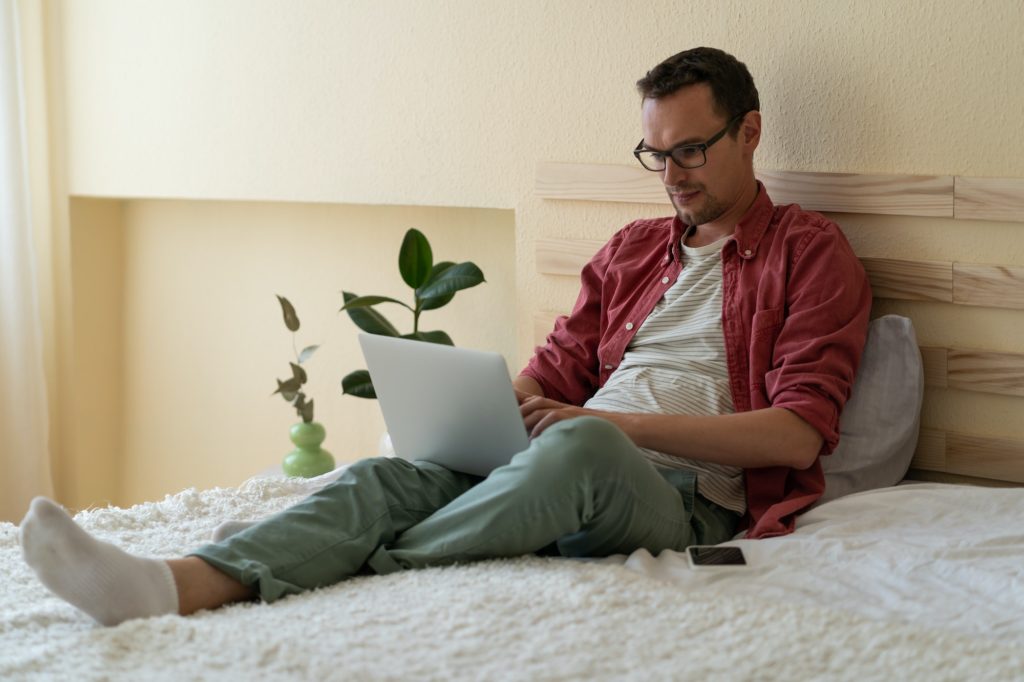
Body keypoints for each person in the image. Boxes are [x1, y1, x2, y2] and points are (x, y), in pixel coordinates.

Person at [19, 46, 870, 626]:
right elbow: (554, 372)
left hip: (682, 495)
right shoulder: (631, 251)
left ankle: (366, 568)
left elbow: (794, 433)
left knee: (579, 456)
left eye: (689, 152)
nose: (672, 178)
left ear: (749, 131)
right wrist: (504, 403)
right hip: (567, 450)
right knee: (393, 473)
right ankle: (169, 585)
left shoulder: (811, 253)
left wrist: (611, 426)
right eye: (656, 156)